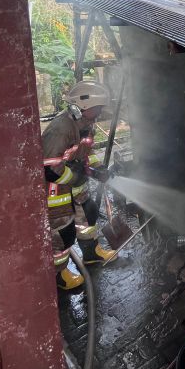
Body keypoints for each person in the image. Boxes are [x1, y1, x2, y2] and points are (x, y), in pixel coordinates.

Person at [42, 81, 117, 290]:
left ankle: (92, 254)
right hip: (55, 191)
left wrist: (98, 167)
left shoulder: (86, 124)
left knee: (88, 214)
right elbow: (49, 168)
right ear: (84, 106)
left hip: (76, 185)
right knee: (63, 234)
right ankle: (59, 274)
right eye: (99, 107)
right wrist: (75, 178)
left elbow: (87, 153)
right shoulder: (61, 129)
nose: (101, 111)